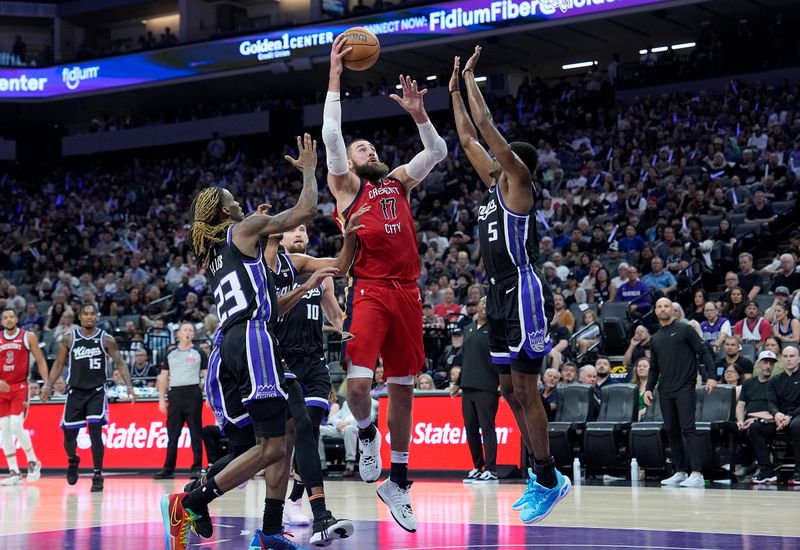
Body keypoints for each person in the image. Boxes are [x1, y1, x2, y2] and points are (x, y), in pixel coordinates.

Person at [161, 134, 350, 549]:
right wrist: (309, 172)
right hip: (252, 339)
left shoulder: (218, 254)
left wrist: (306, 285)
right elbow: (304, 210)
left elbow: (273, 306)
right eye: (233, 199)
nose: (240, 203)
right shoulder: (241, 230)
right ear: (225, 209)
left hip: (240, 337)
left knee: (285, 428)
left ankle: (268, 530)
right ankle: (191, 501)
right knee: (272, 446)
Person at [322, 34, 447, 533]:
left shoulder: (396, 180)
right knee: (357, 387)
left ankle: (399, 479)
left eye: (370, 143)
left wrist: (419, 113)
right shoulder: (346, 188)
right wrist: (335, 75)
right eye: (359, 147)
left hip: (408, 295)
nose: (366, 147)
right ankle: (366, 431)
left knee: (404, 392)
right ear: (347, 164)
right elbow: (332, 135)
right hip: (370, 291)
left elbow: (436, 150)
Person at [452, 46, 570, 524]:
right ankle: (539, 476)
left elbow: (487, 133)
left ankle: (547, 475)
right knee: (507, 390)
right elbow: (466, 139)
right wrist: (453, 91)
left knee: (526, 389)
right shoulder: (493, 187)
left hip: (523, 289)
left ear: (512, 164)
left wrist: (474, 84)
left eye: (497, 160)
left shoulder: (518, 181)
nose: (490, 162)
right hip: (496, 293)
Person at [264, 216, 363, 526]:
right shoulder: (276, 270)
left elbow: (334, 311)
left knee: (309, 429)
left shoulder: (321, 274)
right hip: (284, 359)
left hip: (314, 361)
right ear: (279, 238)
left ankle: (296, 499)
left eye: (304, 229)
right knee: (288, 437)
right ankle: (290, 499)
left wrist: (346, 330)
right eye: (294, 228)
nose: (300, 232)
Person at [41, 303, 136, 492]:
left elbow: (120, 362)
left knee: (94, 430)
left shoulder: (106, 339)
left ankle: (97, 474)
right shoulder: (69, 339)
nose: (89, 317)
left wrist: (129, 386)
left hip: (96, 391)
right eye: (86, 314)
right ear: (80, 317)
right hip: (74, 392)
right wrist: (47, 385)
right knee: (69, 436)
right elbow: (59, 364)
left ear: (97, 316)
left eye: (93, 314)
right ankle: (73, 460)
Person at [644, 298, 717, 488]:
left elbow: (704, 352)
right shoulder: (656, 338)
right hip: (665, 390)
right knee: (671, 431)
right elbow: (653, 368)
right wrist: (648, 389)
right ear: (655, 311)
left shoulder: (685, 330)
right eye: (659, 306)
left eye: (666, 306)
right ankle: (680, 471)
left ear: (673, 310)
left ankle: (697, 473)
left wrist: (711, 376)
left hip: (685, 386)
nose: (662, 309)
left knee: (688, 429)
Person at [449, 298, 499, 483]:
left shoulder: (495, 329)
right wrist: (457, 383)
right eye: (482, 304)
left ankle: (491, 469)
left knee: (487, 428)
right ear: (477, 307)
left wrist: (502, 381)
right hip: (467, 386)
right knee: (470, 429)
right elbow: (465, 359)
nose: (485, 307)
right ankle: (478, 466)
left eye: (488, 304)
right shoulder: (468, 329)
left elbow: (501, 358)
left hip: (487, 386)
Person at [0, 308, 49, 485]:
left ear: (16, 319)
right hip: (2, 389)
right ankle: (13, 471)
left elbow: (41, 361)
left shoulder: (28, 337)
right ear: (2, 321)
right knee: (4, 429)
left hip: (20, 386)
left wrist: (47, 384)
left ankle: (33, 460)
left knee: (15, 426)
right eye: (5, 317)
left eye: (11, 316)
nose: (9, 319)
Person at [154, 322, 207, 479]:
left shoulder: (199, 353)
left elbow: (206, 375)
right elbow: (163, 377)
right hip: (175, 394)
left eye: (190, 330)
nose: (188, 332)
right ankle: (168, 468)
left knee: (195, 432)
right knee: (173, 434)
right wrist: (161, 399)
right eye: (185, 330)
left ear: (193, 334)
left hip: (193, 393)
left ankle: (196, 468)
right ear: (178, 334)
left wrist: (210, 395)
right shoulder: (170, 353)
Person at [747, 346, 800, 485]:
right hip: (779, 418)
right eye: (786, 356)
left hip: (796, 416)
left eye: (792, 356)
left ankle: (799, 472)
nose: (789, 359)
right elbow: (771, 403)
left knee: (796, 425)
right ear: (782, 360)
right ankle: (767, 470)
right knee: (755, 427)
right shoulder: (775, 380)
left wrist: (790, 417)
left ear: (799, 359)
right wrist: (776, 414)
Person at [735, 350, 776, 478]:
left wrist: (756, 417)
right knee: (732, 428)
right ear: (759, 364)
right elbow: (740, 405)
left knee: (754, 428)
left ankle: (760, 465)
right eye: (765, 363)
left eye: (771, 363)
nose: (768, 366)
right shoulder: (748, 383)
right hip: (748, 420)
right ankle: (747, 463)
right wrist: (740, 420)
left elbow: (776, 409)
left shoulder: (776, 382)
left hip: (767, 420)